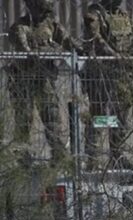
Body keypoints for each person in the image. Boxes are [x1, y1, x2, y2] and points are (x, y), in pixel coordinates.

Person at [8, 0, 81, 165]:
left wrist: (78, 48)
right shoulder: (20, 26)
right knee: (24, 120)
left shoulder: (50, 25)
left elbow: (67, 40)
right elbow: (22, 46)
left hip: (45, 80)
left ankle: (59, 155)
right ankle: (22, 158)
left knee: (52, 117)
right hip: (23, 80)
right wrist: (41, 51)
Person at [82, 0, 133, 169]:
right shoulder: (95, 13)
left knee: (120, 117)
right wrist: (115, 55)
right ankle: (94, 158)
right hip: (100, 75)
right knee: (99, 116)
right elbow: (95, 39)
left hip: (122, 76)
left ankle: (116, 156)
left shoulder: (124, 16)